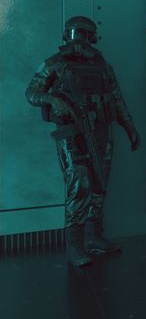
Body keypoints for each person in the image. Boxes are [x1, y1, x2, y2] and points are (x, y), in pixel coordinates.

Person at [26, 16, 140, 267]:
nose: (79, 42)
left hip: (100, 130)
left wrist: (129, 127)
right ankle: (74, 244)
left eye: (83, 36)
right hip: (72, 133)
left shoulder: (102, 65)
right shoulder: (54, 64)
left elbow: (116, 98)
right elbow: (32, 93)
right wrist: (55, 100)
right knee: (80, 185)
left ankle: (93, 237)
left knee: (99, 184)